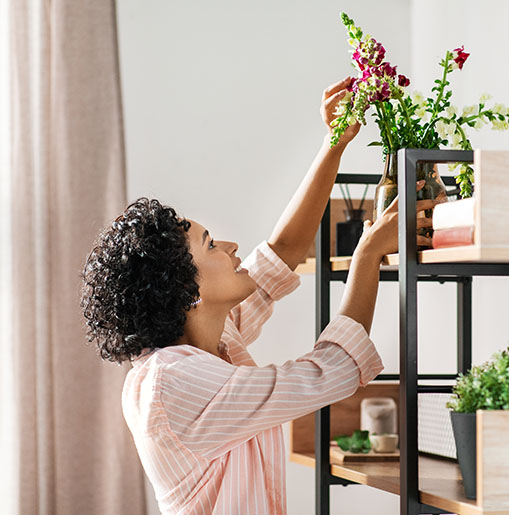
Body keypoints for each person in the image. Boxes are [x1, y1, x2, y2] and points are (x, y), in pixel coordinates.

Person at [80, 77, 438, 515]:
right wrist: (367, 253)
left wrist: (334, 142)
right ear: (185, 290)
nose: (230, 247)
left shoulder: (210, 340)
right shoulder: (173, 382)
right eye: (210, 244)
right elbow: (327, 372)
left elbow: (282, 253)